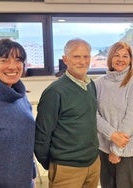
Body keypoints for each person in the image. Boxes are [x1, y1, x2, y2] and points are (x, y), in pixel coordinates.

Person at [34, 38, 100, 188]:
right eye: (76, 56)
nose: (82, 62)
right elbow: (42, 134)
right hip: (67, 168)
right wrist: (51, 163)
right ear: (65, 59)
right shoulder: (55, 92)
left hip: (93, 163)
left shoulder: (91, 85)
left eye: (86, 56)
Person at [0, 38, 35, 187]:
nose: (12, 66)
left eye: (18, 60)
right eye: (4, 60)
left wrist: (32, 176)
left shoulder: (21, 96)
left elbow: (25, 142)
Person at [95, 41, 133, 188]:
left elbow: (132, 117)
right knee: (107, 185)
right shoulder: (98, 83)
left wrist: (116, 149)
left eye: (125, 56)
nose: (120, 59)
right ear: (110, 58)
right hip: (104, 146)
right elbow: (94, 115)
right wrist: (112, 136)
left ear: (130, 60)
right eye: (116, 55)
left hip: (127, 149)